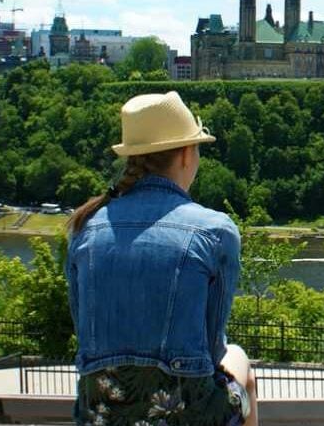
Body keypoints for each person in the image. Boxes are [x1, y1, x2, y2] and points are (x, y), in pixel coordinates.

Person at [66, 91, 257, 426]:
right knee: (239, 359)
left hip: (100, 415)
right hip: (187, 416)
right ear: (185, 155)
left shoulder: (86, 227)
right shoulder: (214, 230)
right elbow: (213, 350)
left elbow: (83, 331)